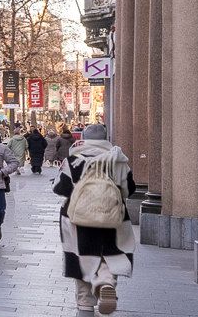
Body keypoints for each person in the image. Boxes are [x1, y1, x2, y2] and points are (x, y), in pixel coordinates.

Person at [55, 122, 135, 315]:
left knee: (82, 256)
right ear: (105, 138)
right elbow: (129, 189)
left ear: (84, 138)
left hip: (77, 220)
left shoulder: (74, 160)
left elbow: (60, 188)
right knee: (110, 252)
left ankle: (85, 305)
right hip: (113, 218)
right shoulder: (118, 160)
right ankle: (106, 282)